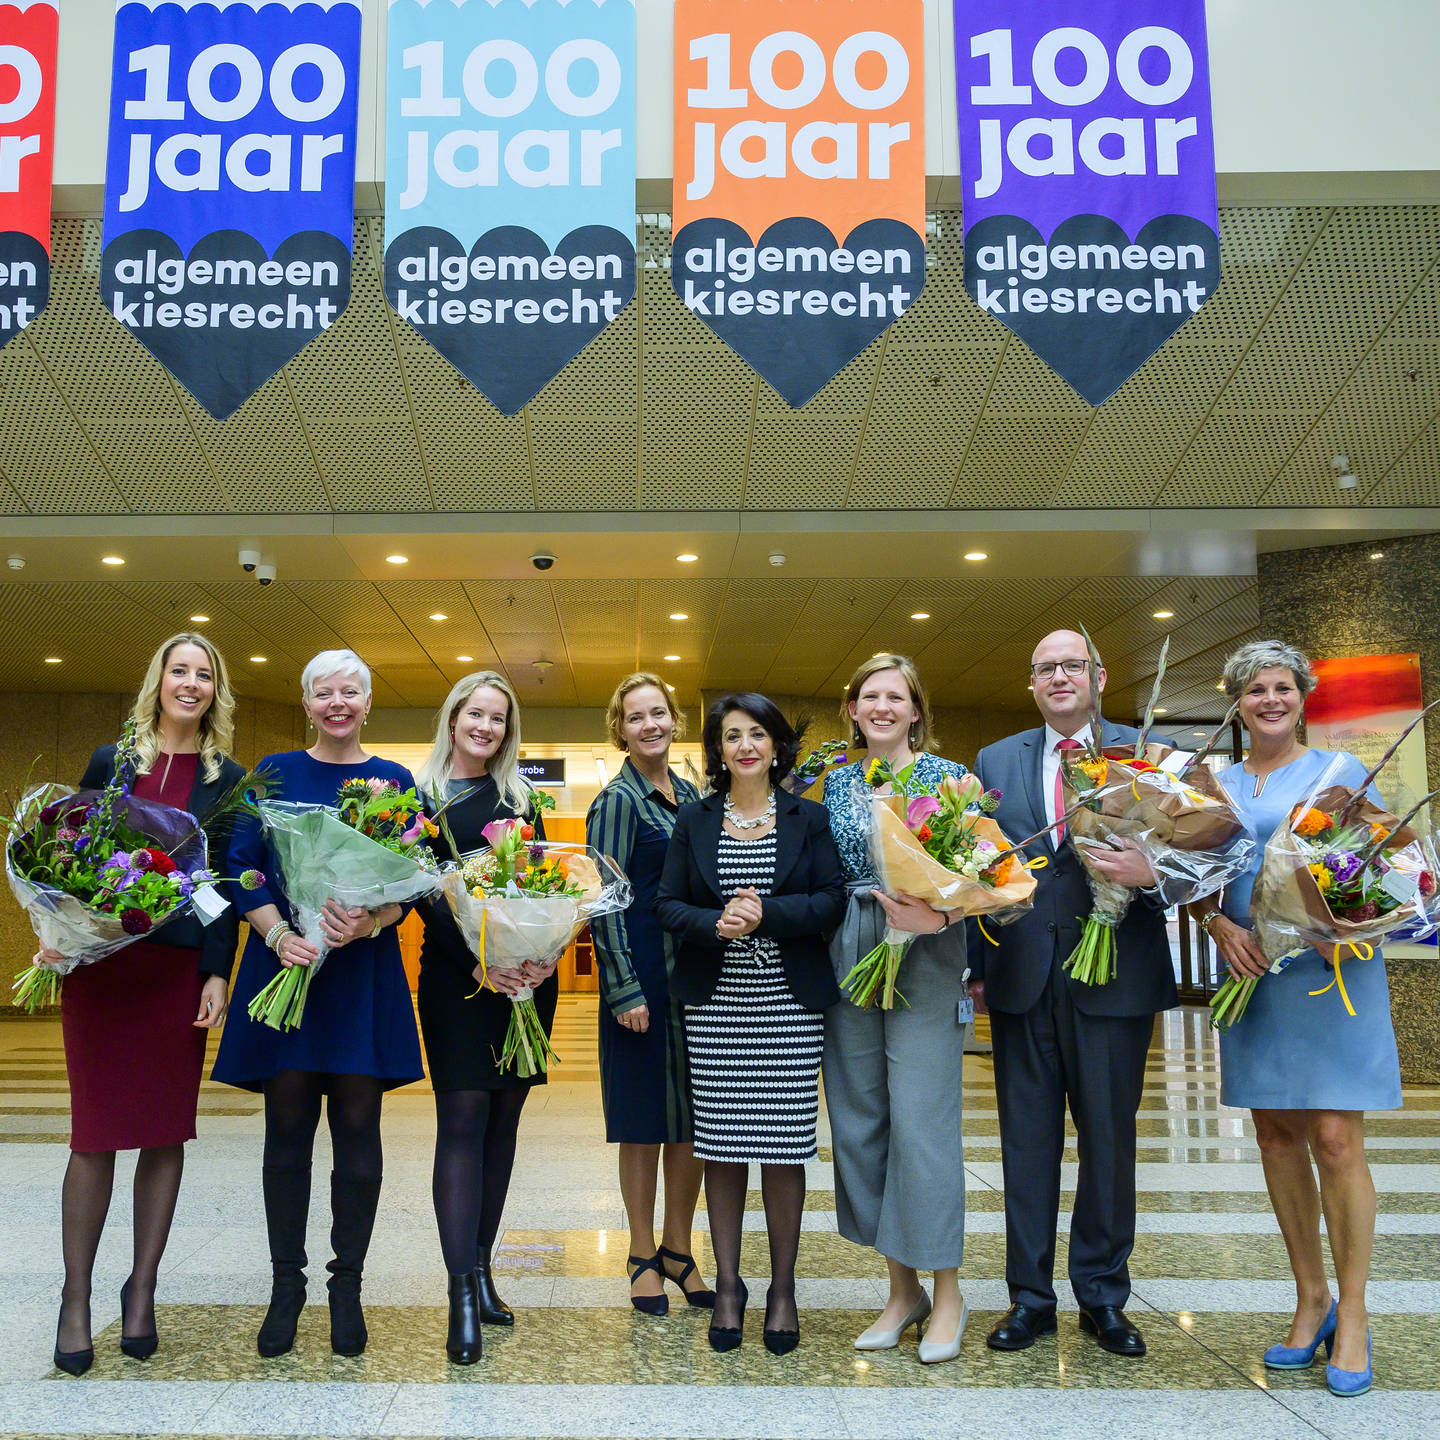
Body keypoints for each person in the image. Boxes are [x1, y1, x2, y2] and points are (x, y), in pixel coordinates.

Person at [1185, 640, 1400, 1397]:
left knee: (1337, 1138)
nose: (1269, 700)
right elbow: (1192, 873)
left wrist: (1339, 918)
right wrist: (1219, 926)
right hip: (1251, 970)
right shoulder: (1214, 782)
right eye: (1254, 690)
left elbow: (1377, 864)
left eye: (1281, 688)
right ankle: (1310, 1298)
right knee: (1276, 1133)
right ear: (1236, 704)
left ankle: (1356, 1314)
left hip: (1327, 974)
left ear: (1303, 696)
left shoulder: (1342, 775)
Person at [970, 629, 1175, 1358]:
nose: (1059, 677)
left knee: (1110, 1144)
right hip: (1023, 976)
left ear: (1098, 674)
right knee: (1025, 1146)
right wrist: (976, 966)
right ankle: (1029, 1299)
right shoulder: (996, 759)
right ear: (1031, 683)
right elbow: (975, 863)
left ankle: (1102, 1296)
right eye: (1045, 668)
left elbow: (1193, 857)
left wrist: (1151, 876)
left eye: (1072, 666)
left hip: (1117, 974)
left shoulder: (1145, 754)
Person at [213, 649, 423, 1359]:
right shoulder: (271, 772)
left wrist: (371, 921)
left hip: (359, 974)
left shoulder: (392, 780)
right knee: (288, 1132)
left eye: (351, 691)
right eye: (324, 693)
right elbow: (243, 867)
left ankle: (346, 1286)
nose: (338, 703)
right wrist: (278, 936)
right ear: (306, 704)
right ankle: (285, 1285)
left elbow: (413, 884)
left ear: (368, 702)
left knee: (360, 1133)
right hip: (290, 969)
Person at [45, 633, 244, 1375]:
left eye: (203, 675)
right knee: (93, 1136)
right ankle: (74, 1297)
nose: (189, 684)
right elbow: (68, 857)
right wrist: (58, 930)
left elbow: (221, 886)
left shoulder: (230, 781)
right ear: (158, 680)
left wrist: (217, 972)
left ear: (215, 692)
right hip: (102, 971)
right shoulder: (112, 762)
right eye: (179, 670)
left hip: (174, 975)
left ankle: (142, 1289)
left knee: (164, 1132)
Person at [656, 695, 845, 1355]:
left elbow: (830, 901)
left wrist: (767, 914)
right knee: (724, 1147)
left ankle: (784, 1288)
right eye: (731, 735)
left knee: (786, 1147)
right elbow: (667, 904)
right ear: (717, 749)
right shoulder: (694, 818)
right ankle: (730, 1286)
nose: (744, 745)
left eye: (756, 734)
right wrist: (713, 923)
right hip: (717, 1007)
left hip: (789, 1006)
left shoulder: (808, 817)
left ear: (776, 745)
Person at [820, 654, 974, 1364]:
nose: (882, 707)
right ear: (853, 710)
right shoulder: (834, 785)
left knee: (923, 1124)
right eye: (870, 696)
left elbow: (982, 878)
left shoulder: (950, 783)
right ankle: (900, 1287)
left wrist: (937, 921)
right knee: (862, 1122)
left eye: (896, 697)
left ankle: (948, 1293)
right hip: (851, 948)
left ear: (916, 711)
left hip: (930, 949)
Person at [413, 671, 557, 1365]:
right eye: (476, 714)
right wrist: (477, 962)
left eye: (498, 719)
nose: (486, 727)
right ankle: (460, 1293)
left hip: (524, 983)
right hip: (456, 982)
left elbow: (545, 887)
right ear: (453, 718)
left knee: (504, 1126)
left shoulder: (520, 798)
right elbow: (424, 896)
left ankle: (485, 1269)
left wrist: (544, 954)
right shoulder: (422, 798)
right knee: (463, 1122)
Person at [586, 673, 711, 1316]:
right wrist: (622, 987)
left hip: (690, 981)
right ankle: (640, 1253)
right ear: (621, 731)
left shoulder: (690, 794)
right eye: (636, 718)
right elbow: (603, 901)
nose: (650, 725)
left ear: (674, 720)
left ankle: (679, 1250)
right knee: (641, 1123)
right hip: (637, 982)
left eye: (659, 713)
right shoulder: (616, 801)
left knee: (689, 1122)